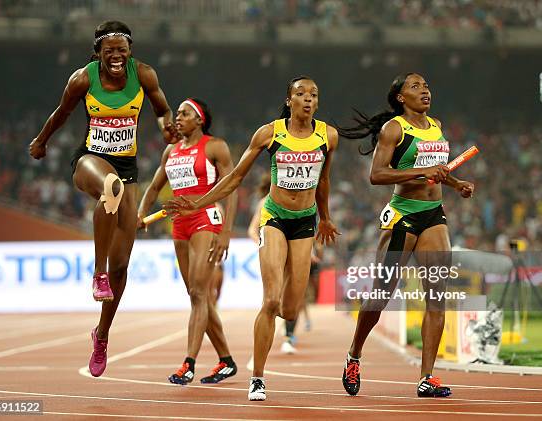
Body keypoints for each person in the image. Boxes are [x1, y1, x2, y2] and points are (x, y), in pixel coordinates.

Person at [166, 76, 340, 401]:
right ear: (289, 100)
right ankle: (258, 377)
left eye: (313, 95)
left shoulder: (328, 136)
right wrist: (198, 202)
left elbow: (324, 180)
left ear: (317, 102)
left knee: (290, 310)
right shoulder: (270, 133)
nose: (307, 99)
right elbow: (234, 178)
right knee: (271, 300)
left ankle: (281, 313)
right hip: (274, 218)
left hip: (305, 223)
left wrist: (326, 218)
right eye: (300, 94)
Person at [28, 21, 178, 378]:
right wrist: (41, 140)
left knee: (123, 267)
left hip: (129, 168)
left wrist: (165, 127)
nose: (116, 56)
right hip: (90, 161)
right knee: (110, 186)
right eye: (108, 50)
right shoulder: (83, 78)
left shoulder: (144, 75)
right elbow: (62, 113)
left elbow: (161, 110)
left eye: (121, 49)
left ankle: (102, 334)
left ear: (130, 51)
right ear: (97, 53)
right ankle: (97, 274)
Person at [337, 73, 475, 398]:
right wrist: (421, 172)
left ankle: (427, 377)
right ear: (400, 97)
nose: (424, 89)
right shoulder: (394, 129)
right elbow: (377, 175)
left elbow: (436, 170)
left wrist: (456, 184)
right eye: (415, 86)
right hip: (403, 216)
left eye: (426, 84)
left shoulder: (437, 125)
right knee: (381, 295)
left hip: (434, 215)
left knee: (437, 296)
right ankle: (354, 353)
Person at [137, 98, 238, 384]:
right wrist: (140, 214)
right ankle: (226, 361)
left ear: (200, 119)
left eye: (184, 113)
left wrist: (227, 232)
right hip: (179, 223)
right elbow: (155, 187)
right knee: (198, 296)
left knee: (197, 293)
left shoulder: (215, 146)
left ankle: (189, 363)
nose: (177, 118)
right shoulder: (170, 151)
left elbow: (231, 188)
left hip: (206, 217)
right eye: (178, 114)